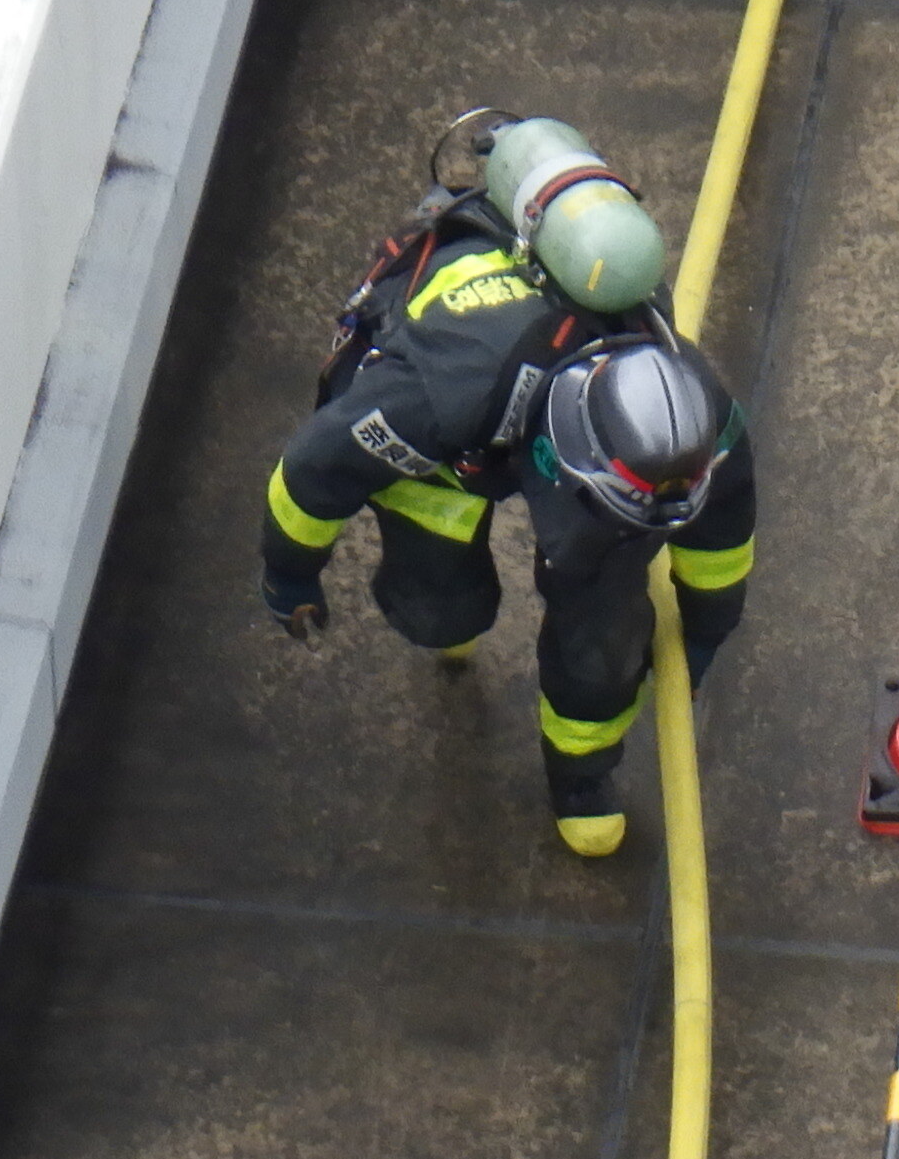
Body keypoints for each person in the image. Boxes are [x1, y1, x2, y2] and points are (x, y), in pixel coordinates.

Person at [261, 110, 758, 856]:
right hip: (448, 460)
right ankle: (452, 626)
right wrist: (290, 576)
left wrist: (705, 634)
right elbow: (311, 471)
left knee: (605, 637)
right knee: (440, 611)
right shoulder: (430, 396)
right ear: (566, 463)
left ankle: (581, 777)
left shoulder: (695, 417)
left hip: (521, 429)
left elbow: (722, 538)